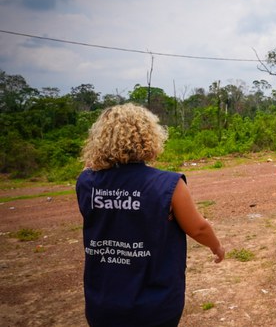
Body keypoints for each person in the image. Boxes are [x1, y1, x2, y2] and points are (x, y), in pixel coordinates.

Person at [75, 104, 225, 327]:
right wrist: (217, 247)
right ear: (149, 137)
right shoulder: (167, 183)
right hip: (154, 303)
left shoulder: (86, 182)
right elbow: (198, 228)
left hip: (102, 301)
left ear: (101, 138)